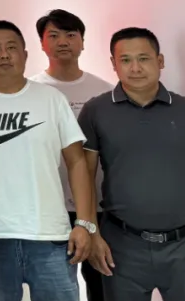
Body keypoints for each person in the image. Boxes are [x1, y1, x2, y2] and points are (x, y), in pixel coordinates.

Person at [0, 20, 95, 301]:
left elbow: (77, 162)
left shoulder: (51, 98)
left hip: (51, 236)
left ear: (26, 54)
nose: (4, 55)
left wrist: (84, 222)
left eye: (11, 47)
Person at [79, 27, 185, 301]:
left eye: (143, 58)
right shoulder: (95, 111)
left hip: (181, 246)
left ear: (160, 61)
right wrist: (92, 232)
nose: (135, 68)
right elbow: (83, 175)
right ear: (113, 64)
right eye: (125, 60)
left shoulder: (182, 109)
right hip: (122, 245)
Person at [29, 9, 113, 301]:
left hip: (98, 206)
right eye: (53, 35)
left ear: (82, 42)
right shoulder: (31, 90)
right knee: (56, 289)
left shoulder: (104, 91)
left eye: (70, 34)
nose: (63, 41)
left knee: (102, 283)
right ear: (42, 44)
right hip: (50, 207)